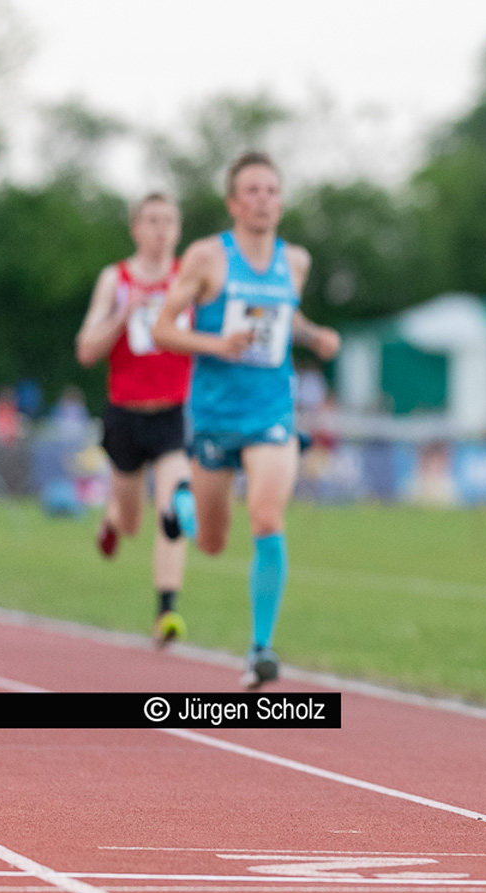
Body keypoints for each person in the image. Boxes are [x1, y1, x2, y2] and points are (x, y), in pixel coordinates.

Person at [151, 152, 340, 689]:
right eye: (251, 191)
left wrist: (313, 335)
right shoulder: (207, 258)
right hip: (213, 414)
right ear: (234, 203)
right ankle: (179, 505)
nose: (262, 199)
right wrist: (217, 343)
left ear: (280, 201)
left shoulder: (295, 261)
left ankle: (261, 650)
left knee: (265, 516)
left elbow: (286, 316)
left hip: (271, 410)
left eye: (271, 190)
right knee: (210, 542)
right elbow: (164, 330)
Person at [75, 192, 192, 646]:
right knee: (131, 522)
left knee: (173, 507)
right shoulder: (115, 279)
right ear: (135, 228)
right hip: (125, 414)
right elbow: (86, 350)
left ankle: (167, 611)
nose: (161, 229)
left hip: (172, 414)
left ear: (178, 231)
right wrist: (124, 314)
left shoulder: (189, 279)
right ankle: (111, 517)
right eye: (152, 220)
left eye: (169, 221)